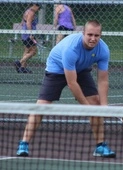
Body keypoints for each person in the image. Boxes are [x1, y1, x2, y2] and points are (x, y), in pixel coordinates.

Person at [16, 20, 116, 158]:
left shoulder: (103, 50)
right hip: (56, 68)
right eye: (90, 35)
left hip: (81, 70)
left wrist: (104, 106)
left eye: (96, 35)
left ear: (101, 35)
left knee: (96, 102)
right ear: (83, 33)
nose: (93, 38)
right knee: (41, 106)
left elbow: (103, 80)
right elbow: (72, 83)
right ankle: (24, 143)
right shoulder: (72, 48)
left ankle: (100, 146)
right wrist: (87, 108)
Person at [14, 3, 41, 73]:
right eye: (38, 7)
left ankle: (22, 68)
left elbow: (22, 23)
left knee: (27, 50)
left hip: (25, 33)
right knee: (33, 51)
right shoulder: (31, 13)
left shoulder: (27, 11)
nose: (39, 9)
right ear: (34, 5)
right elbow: (28, 23)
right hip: (28, 34)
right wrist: (31, 34)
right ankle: (19, 62)